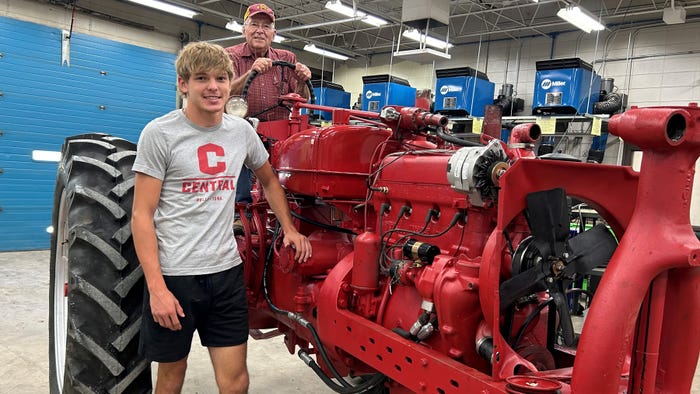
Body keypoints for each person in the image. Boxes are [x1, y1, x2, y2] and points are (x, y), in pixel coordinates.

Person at [131, 41, 312, 394]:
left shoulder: (240, 131)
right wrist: (156, 289)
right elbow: (141, 214)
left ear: (231, 84)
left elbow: (270, 180)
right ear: (184, 84)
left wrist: (289, 228)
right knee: (171, 377)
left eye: (221, 78)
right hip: (175, 277)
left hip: (226, 273)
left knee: (235, 380)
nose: (213, 87)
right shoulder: (160, 133)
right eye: (202, 78)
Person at [225, 3, 312, 225]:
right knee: (239, 144)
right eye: (254, 24)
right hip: (244, 128)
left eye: (266, 26)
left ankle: (300, 206)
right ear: (244, 30)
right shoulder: (230, 56)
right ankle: (239, 213)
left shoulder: (286, 57)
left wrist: (302, 81)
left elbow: (302, 99)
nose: (260, 30)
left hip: (281, 134)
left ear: (274, 33)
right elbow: (222, 92)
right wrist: (251, 72)